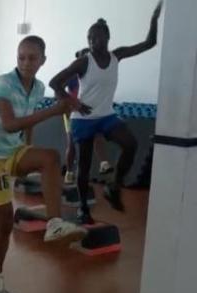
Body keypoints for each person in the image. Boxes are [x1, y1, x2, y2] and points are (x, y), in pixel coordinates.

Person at [0, 35, 88, 293]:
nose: (26, 63)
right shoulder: (2, 83)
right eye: (21, 57)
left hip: (14, 152)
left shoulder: (37, 87)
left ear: (43, 61)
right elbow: (10, 124)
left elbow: (27, 126)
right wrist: (54, 111)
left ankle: (55, 223)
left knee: (50, 157)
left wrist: (29, 152)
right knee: (4, 223)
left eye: (32, 58)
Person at [50, 1, 162, 223]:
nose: (93, 42)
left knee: (130, 144)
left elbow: (150, 43)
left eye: (97, 37)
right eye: (90, 38)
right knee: (84, 164)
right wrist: (75, 103)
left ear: (107, 38)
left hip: (106, 116)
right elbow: (55, 83)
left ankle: (114, 186)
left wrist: (154, 20)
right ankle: (83, 208)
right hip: (83, 119)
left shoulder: (116, 56)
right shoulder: (83, 62)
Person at [63, 48, 112, 184]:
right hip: (73, 112)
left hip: (90, 112)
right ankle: (69, 171)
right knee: (72, 143)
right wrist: (70, 105)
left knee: (98, 135)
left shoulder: (94, 75)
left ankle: (104, 162)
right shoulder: (72, 75)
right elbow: (60, 89)